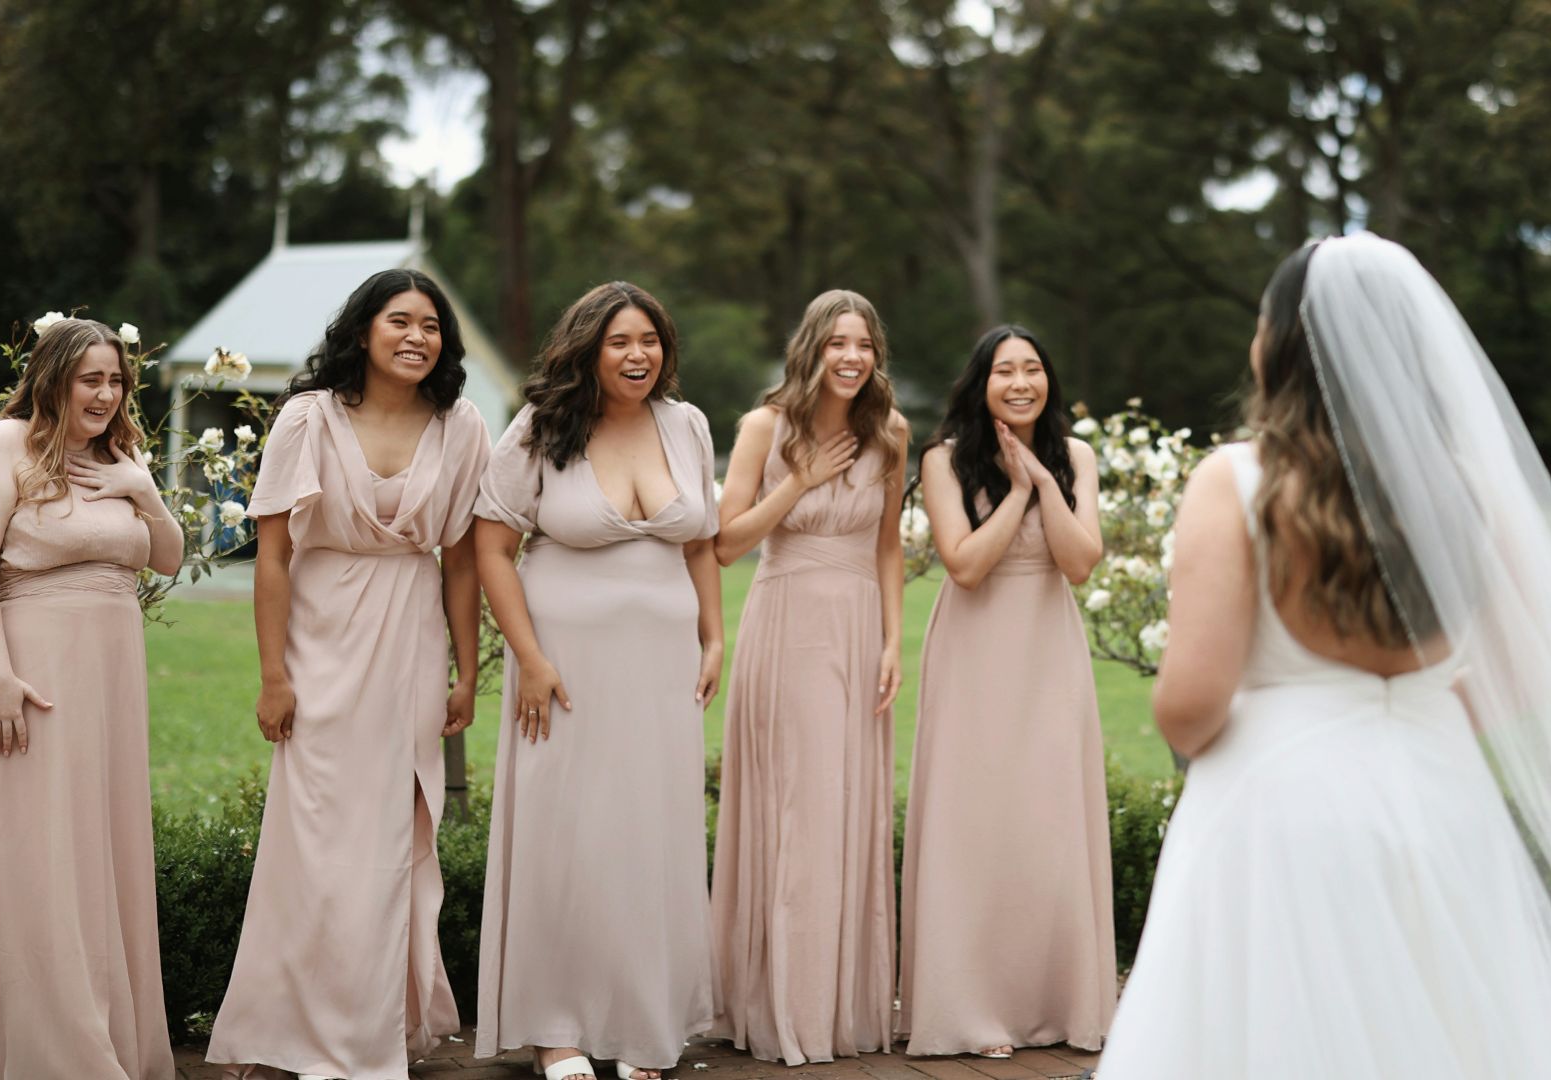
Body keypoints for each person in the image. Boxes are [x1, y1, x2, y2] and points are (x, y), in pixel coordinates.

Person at [1103, 233, 1551, 1078]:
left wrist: (1303, 721)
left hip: (1283, 815)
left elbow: (1189, 705)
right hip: (1441, 798)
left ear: (1283, 346)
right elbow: (1527, 666)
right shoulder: (1467, 484)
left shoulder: (1237, 481)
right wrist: (1411, 718)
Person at [206, 269, 488, 1079]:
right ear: (363, 330)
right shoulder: (306, 417)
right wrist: (273, 675)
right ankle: (285, 1032)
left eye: (431, 325)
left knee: (390, 840)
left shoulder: (462, 423)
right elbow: (273, 555)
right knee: (314, 841)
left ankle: (371, 1037)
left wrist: (467, 672)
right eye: (399, 320)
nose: (416, 337)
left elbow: (463, 562)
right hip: (320, 645)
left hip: (409, 641)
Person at [0, 318, 181, 1078]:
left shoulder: (121, 456)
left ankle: (107, 1031)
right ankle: (49, 1051)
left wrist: (143, 489)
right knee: (39, 850)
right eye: (90, 378)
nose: (105, 393)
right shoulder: (7, 446)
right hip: (35, 669)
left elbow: (166, 558)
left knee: (101, 848)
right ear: (54, 377)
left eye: (116, 380)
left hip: (112, 680)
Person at [472, 281, 721, 1080]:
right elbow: (489, 549)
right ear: (587, 349)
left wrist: (715, 635)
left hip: (663, 670)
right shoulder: (541, 429)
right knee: (567, 836)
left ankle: (641, 1025)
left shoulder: (686, 425)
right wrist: (531, 659)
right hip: (565, 671)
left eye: (649, 339)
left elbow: (700, 544)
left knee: (650, 835)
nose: (637, 354)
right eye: (619, 341)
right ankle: (559, 1029)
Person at [898, 324, 1116, 1058]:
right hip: (974, 652)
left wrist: (1048, 480)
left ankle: (1055, 1004)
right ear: (980, 383)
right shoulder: (944, 459)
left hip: (1048, 653)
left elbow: (1080, 562)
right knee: (976, 822)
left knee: (1048, 821)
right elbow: (964, 564)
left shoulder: (1077, 456)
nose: (1020, 383)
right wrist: (1016, 490)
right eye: (1004, 372)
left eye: (1032, 370)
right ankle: (973, 1008)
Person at [709, 289, 907, 1065]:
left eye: (864, 345)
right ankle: (778, 1004)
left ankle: (837, 1007)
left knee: (846, 804)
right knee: (799, 805)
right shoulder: (765, 427)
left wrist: (894, 640)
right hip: (786, 623)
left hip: (857, 629)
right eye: (838, 344)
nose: (852, 358)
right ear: (812, 349)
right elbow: (725, 542)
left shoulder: (890, 431)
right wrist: (799, 481)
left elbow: (889, 544)